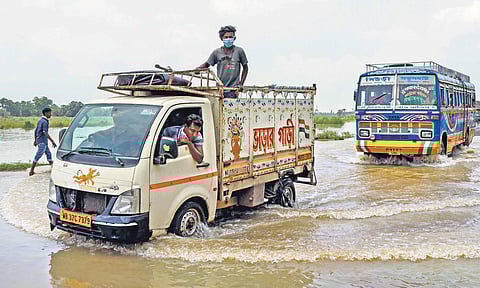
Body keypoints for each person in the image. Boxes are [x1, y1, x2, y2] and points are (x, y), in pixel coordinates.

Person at [196, 25, 248, 98]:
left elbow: (245, 67)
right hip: (220, 89)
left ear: (234, 38)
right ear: (221, 38)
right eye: (226, 37)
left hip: (233, 89)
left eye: (230, 37)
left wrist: (241, 83)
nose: (228, 39)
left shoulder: (239, 51)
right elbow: (206, 64)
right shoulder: (216, 52)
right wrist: (196, 70)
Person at [29, 107, 57, 176]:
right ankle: (31, 171)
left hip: (42, 141)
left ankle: (53, 170)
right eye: (49, 113)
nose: (51, 114)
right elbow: (45, 133)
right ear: (46, 113)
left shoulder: (40, 120)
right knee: (38, 155)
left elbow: (36, 131)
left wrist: (35, 140)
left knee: (49, 154)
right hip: (42, 141)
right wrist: (52, 141)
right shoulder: (44, 122)